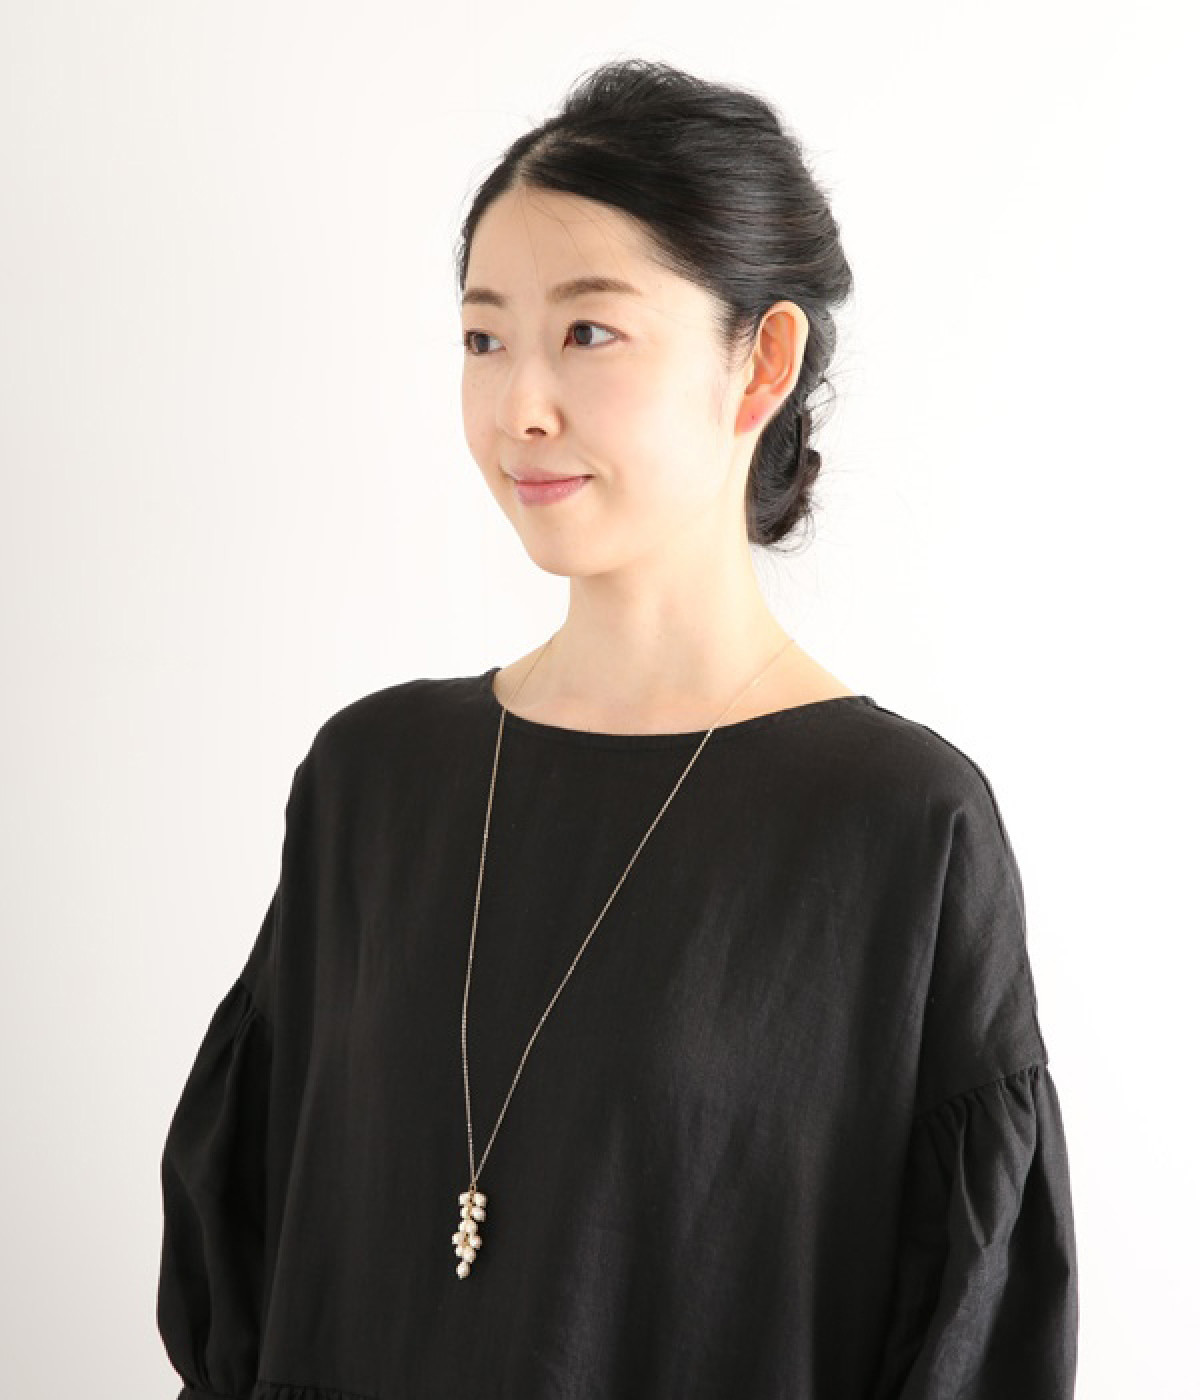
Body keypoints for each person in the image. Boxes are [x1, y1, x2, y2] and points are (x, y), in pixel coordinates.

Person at [156, 58, 1079, 1400]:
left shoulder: (898, 828)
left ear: (761, 362)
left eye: (588, 333)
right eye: (484, 339)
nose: (519, 406)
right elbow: (246, 1270)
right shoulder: (372, 781)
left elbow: (965, 1347)